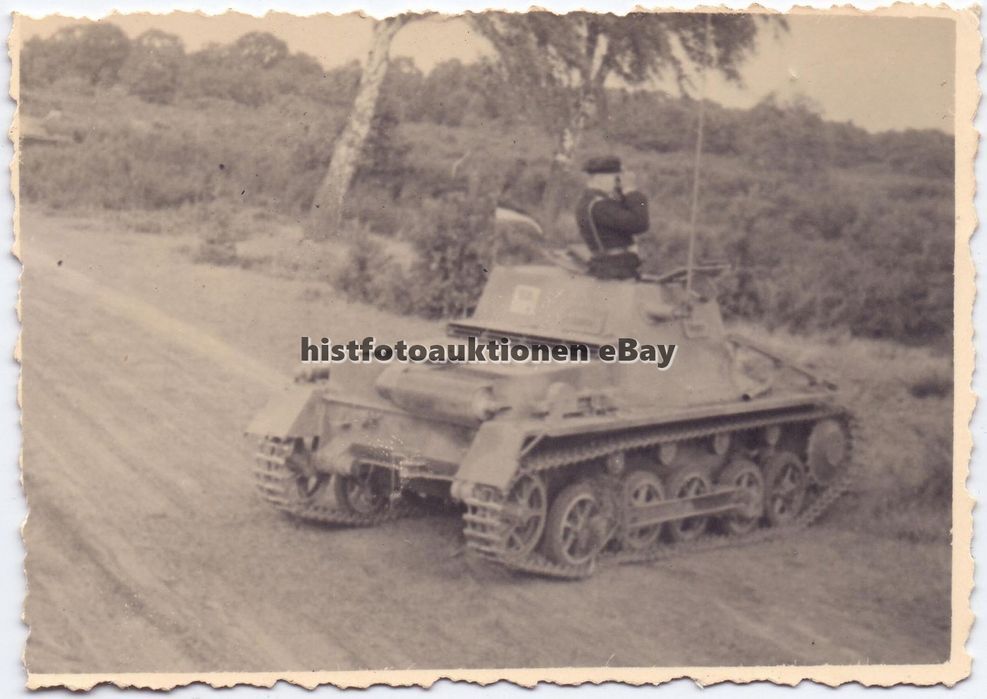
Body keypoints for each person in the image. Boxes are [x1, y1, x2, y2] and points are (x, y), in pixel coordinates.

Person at [575, 156, 650, 279]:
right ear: (600, 178)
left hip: (609, 267)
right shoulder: (600, 205)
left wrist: (622, 194)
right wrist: (631, 191)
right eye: (616, 178)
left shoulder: (591, 201)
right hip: (615, 270)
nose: (618, 183)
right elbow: (640, 223)